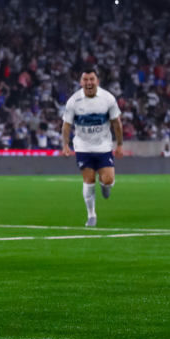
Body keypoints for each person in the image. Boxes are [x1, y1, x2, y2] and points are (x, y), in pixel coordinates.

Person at [61, 68, 124, 227]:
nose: (89, 83)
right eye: (85, 80)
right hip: (83, 147)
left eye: (92, 79)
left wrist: (120, 145)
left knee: (108, 179)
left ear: (97, 81)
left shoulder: (108, 99)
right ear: (81, 82)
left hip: (103, 146)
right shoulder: (73, 101)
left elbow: (117, 123)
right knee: (88, 181)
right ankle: (91, 216)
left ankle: (105, 186)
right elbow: (66, 125)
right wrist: (65, 145)